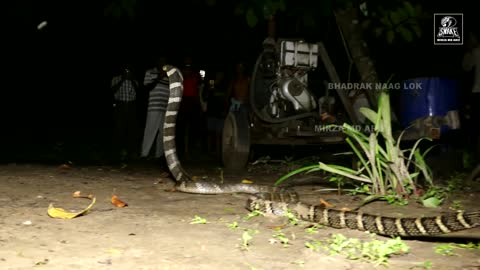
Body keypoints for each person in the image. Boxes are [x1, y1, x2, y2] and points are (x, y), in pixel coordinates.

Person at [141, 56, 170, 163]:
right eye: (160, 60)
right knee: (150, 130)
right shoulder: (150, 72)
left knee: (163, 133)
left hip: (165, 107)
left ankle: (159, 155)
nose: (162, 62)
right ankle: (144, 154)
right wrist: (159, 78)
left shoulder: (169, 74)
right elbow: (147, 88)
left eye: (164, 61)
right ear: (157, 61)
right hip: (154, 106)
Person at [110, 63, 140, 160]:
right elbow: (112, 91)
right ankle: (118, 151)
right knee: (119, 129)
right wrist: (123, 79)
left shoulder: (134, 79)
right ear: (122, 69)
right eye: (125, 69)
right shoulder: (116, 78)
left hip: (131, 106)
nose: (127, 71)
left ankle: (132, 151)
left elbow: (139, 91)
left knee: (132, 129)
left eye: (129, 69)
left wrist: (131, 79)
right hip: (120, 105)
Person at [177, 56, 204, 158]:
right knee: (181, 127)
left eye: (189, 60)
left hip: (192, 101)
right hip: (182, 101)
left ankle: (190, 149)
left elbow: (199, 89)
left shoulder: (195, 74)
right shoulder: (180, 73)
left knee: (192, 126)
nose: (188, 62)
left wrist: (200, 103)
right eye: (186, 60)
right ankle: (181, 149)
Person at [462, 32, 480, 163]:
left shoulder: (475, 52)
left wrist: (469, 51)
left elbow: (466, 67)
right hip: (476, 92)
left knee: (476, 128)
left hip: (478, 92)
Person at [205, 71, 227, 158]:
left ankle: (218, 152)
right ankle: (209, 152)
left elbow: (226, 98)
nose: (219, 75)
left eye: (221, 74)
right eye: (218, 74)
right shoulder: (211, 83)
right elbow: (206, 96)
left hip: (220, 112)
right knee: (210, 133)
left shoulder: (224, 85)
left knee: (219, 133)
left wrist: (225, 110)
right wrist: (210, 90)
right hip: (211, 112)